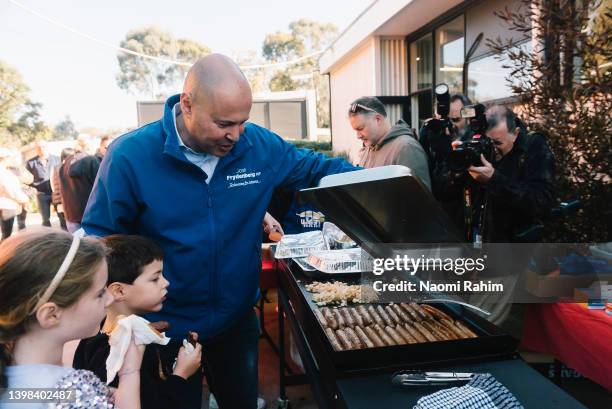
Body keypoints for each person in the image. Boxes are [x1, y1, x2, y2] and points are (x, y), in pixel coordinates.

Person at [82, 53, 357, 409]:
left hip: (234, 320)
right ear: (188, 105)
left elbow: (316, 168)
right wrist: (121, 314)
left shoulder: (258, 146)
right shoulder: (131, 156)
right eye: (224, 123)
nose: (236, 135)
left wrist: (381, 181)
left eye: (243, 122)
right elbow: (99, 241)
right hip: (163, 327)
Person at [0, 227, 145, 409]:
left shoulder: (17, 380)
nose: (110, 298)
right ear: (51, 315)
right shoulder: (69, 393)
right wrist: (130, 373)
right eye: (100, 293)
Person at [74, 234, 202, 409]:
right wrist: (181, 374)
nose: (166, 283)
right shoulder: (128, 350)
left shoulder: (93, 334)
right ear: (119, 291)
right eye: (155, 278)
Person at [349, 96, 431, 190]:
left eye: (360, 129)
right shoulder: (367, 150)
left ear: (378, 119)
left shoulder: (406, 148)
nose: (358, 136)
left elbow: (420, 200)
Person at [419, 94, 473, 231]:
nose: (448, 127)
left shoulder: (473, 145)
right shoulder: (433, 142)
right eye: (442, 121)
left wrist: (456, 155)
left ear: (468, 118)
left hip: (463, 223)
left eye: (455, 120)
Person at [58, 147, 101, 233]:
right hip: (91, 217)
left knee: (79, 244)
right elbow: (101, 188)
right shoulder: (91, 161)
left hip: (71, 217)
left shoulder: (63, 166)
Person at [25, 142, 60, 227]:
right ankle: (48, 239)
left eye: (43, 146)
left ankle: (65, 238)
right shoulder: (31, 162)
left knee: (62, 217)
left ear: (47, 147)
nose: (41, 149)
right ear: (36, 149)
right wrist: (32, 189)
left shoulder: (56, 159)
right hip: (42, 195)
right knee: (45, 220)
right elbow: (26, 179)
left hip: (56, 193)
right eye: (39, 147)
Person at [0, 149, 29, 240]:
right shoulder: (4, 173)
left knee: (5, 234)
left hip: (5, 205)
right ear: (4, 159)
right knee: (6, 236)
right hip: (7, 206)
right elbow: (11, 192)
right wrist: (24, 200)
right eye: (9, 158)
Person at [50, 148, 73, 231]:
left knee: (64, 226)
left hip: (59, 200)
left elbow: (53, 184)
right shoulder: (71, 167)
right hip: (66, 201)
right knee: (69, 225)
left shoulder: (56, 167)